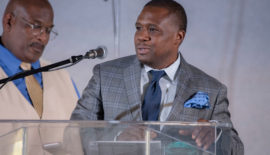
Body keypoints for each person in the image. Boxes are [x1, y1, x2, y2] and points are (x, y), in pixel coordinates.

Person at [71, 0, 243, 154]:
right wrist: (116, 139)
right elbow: (74, 131)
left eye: (153, 29)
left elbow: (237, 148)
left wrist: (217, 136)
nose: (141, 36)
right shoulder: (105, 75)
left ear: (179, 36)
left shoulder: (212, 89)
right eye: (139, 28)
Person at [0, 0, 79, 120]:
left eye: (48, 30)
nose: (44, 37)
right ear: (9, 22)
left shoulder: (63, 78)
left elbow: (83, 132)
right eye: (36, 27)